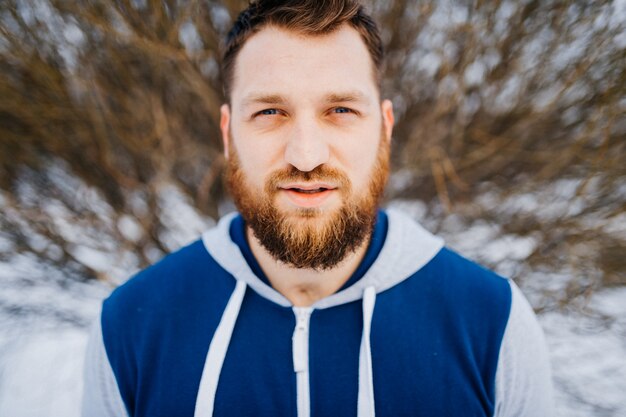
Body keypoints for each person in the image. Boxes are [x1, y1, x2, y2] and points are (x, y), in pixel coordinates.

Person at [81, 1, 554, 416]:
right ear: (228, 135)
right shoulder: (130, 328)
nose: (306, 156)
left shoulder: (492, 323)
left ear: (384, 129)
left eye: (341, 110)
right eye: (270, 112)